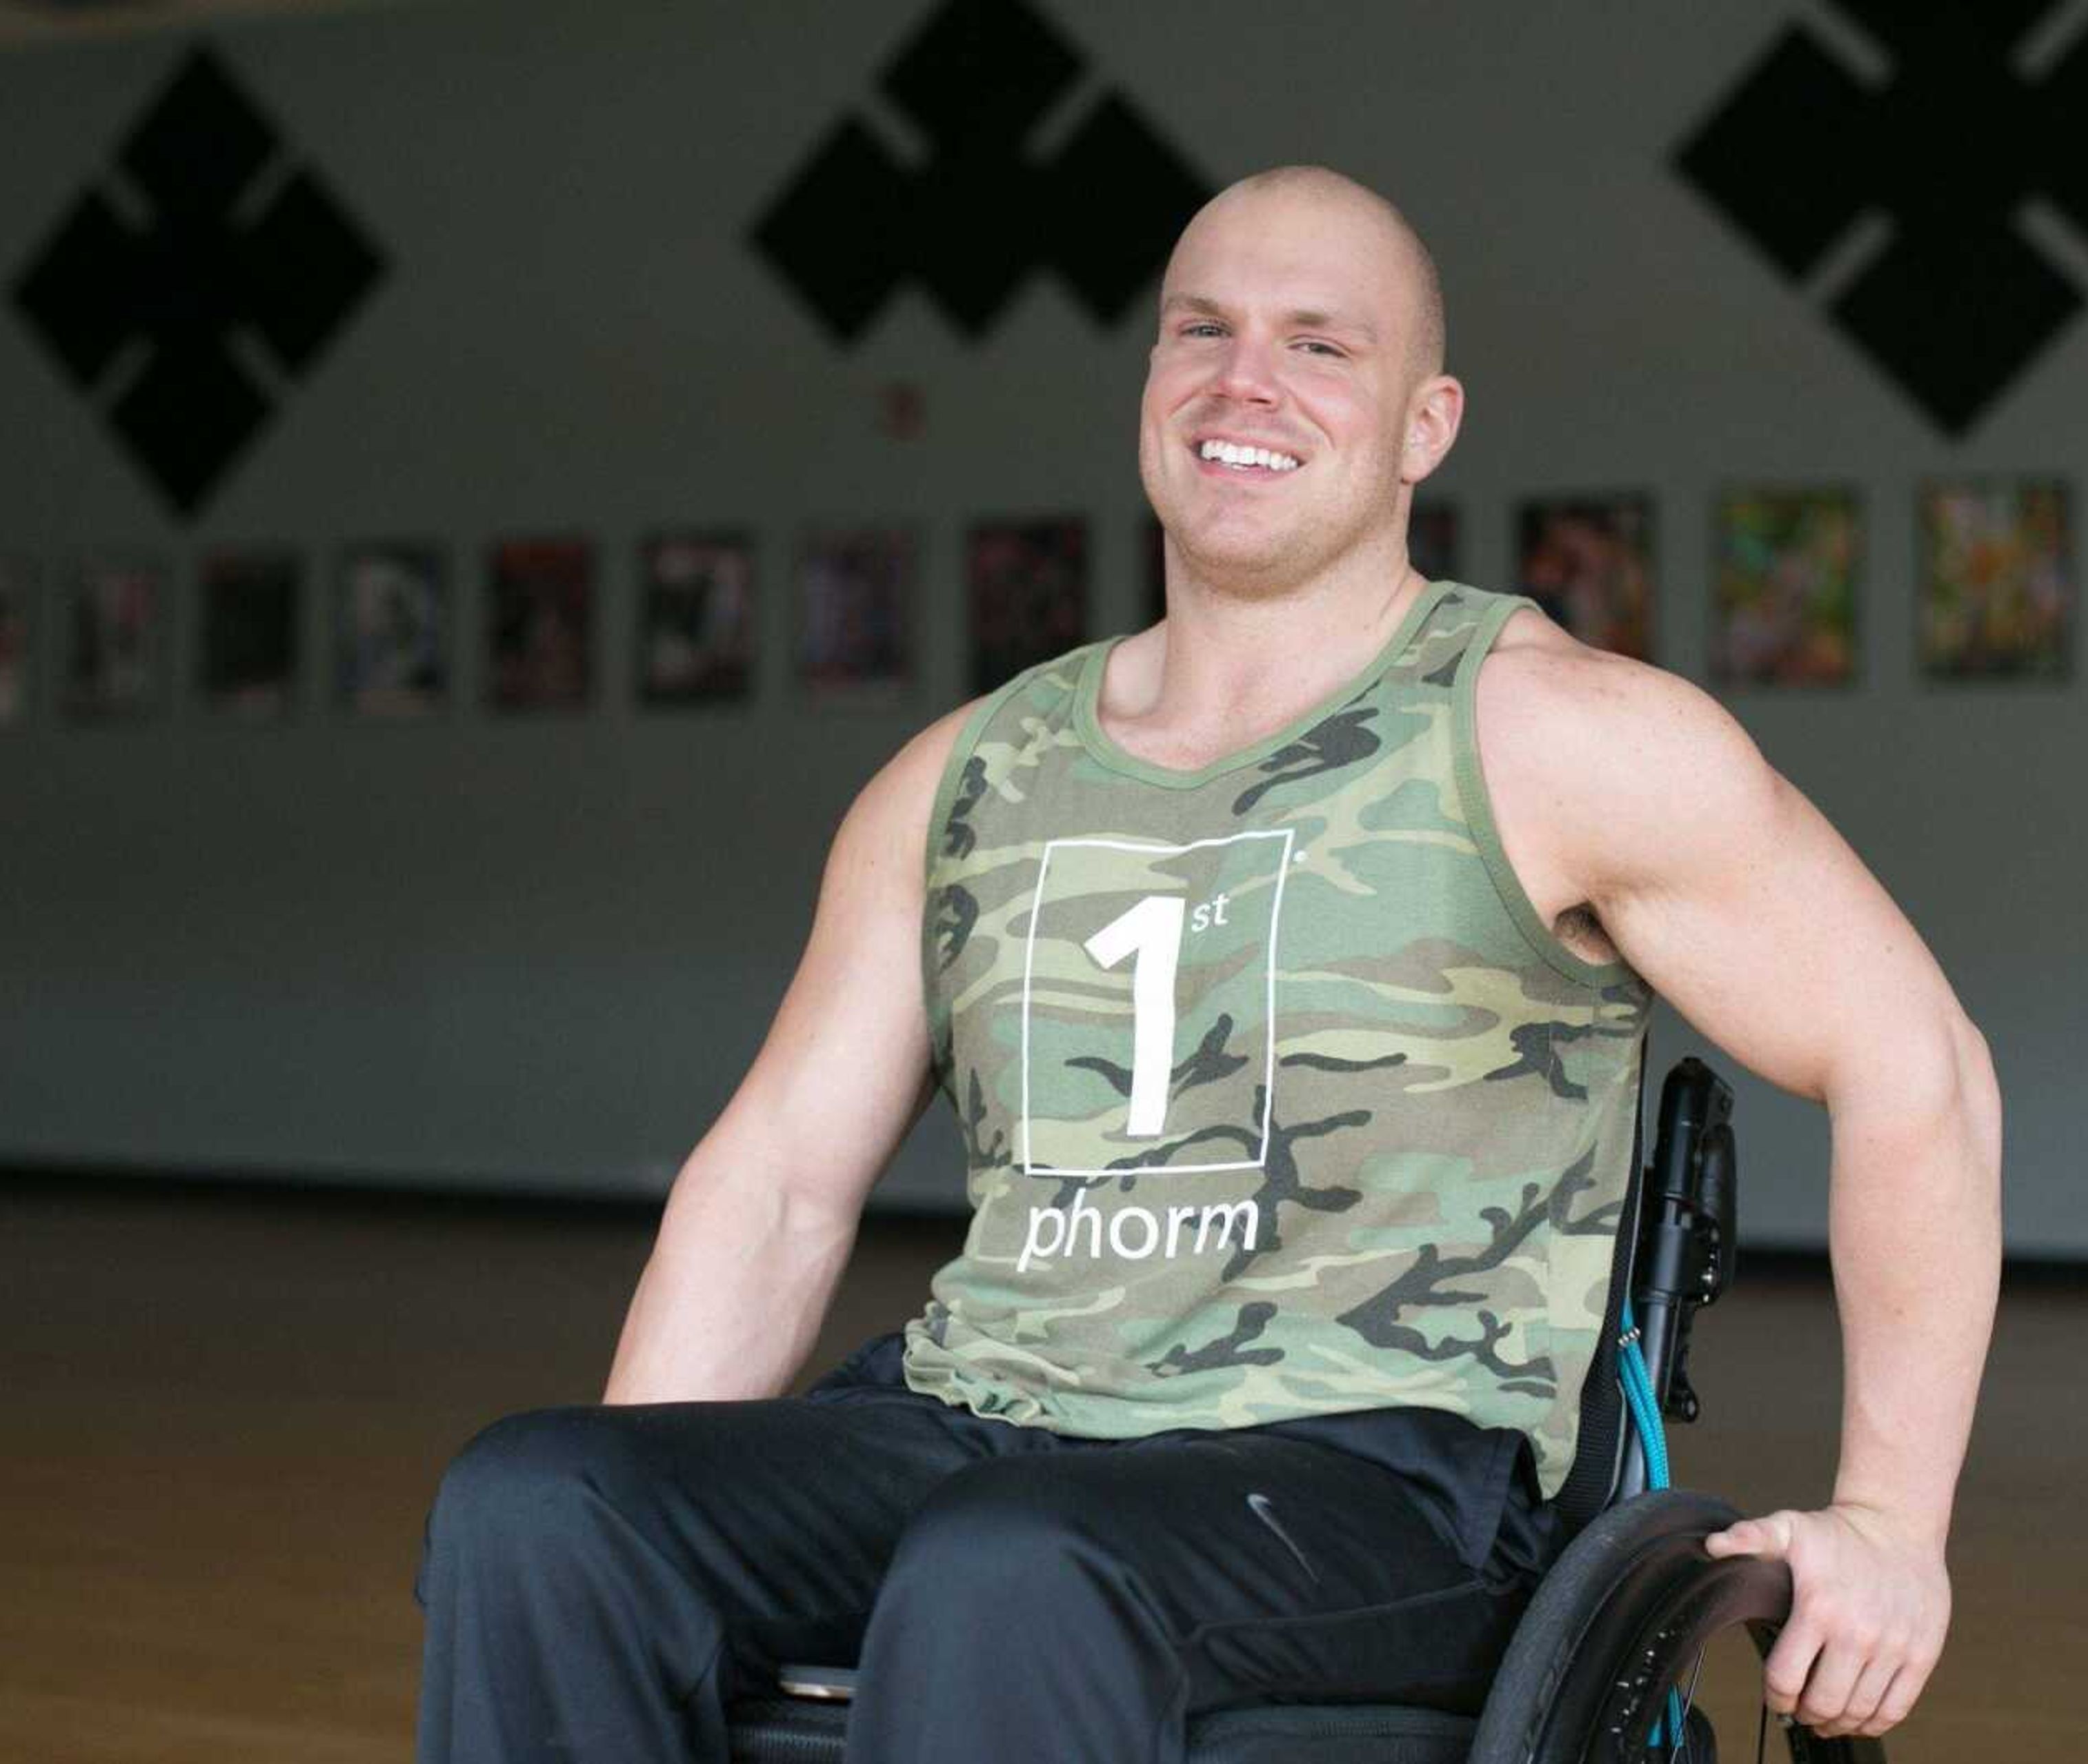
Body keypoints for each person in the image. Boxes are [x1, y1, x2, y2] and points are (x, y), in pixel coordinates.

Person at [413, 164, 2002, 1761]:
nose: (1246, 380)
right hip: (987, 1424)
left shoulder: (1559, 737)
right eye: (1204, 332)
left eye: (1321, 346)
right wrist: (668, 1511)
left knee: (1019, 1562)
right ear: (1153, 383)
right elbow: (775, 1182)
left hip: (1381, 1473)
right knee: (544, 1504)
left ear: (1425, 425)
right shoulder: (966, 774)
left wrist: (1890, 1521)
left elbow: (1913, 1066)